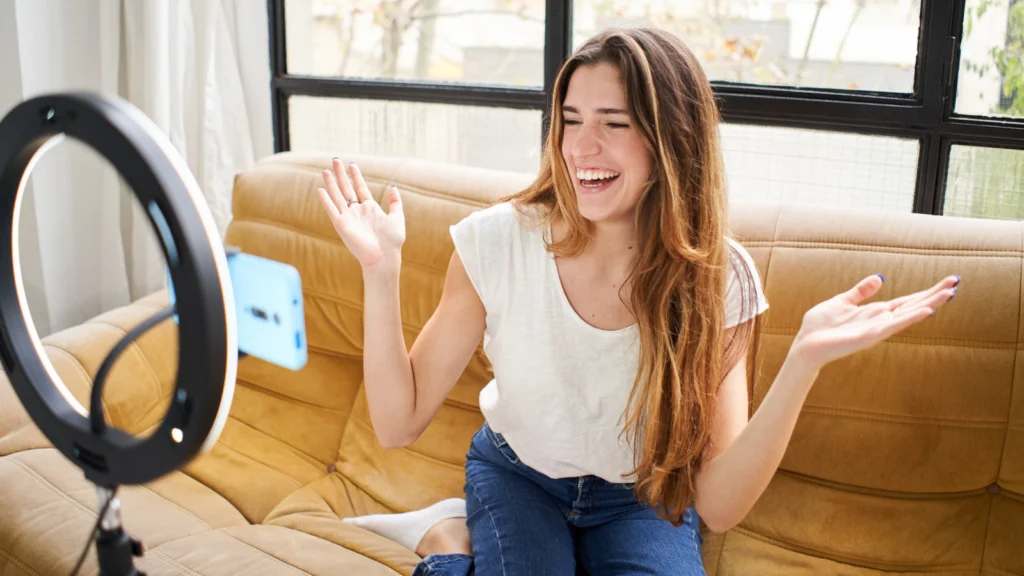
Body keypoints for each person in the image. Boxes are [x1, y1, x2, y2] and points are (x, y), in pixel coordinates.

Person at [314, 27, 958, 576]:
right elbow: (399, 425)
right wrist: (381, 269)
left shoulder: (718, 279)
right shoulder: (498, 243)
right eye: (570, 121)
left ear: (669, 140)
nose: (580, 147)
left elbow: (719, 505)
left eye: (612, 125)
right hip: (519, 476)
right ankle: (445, 541)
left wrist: (804, 363)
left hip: (642, 496)